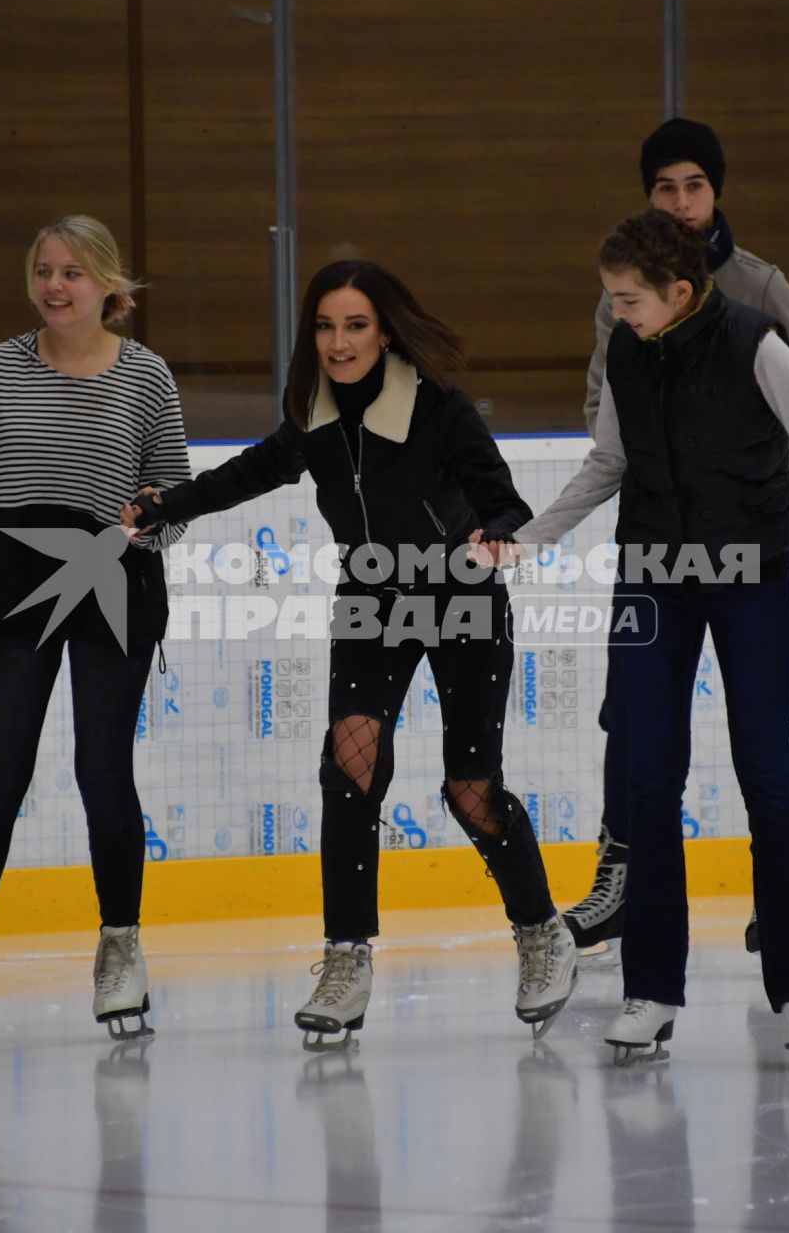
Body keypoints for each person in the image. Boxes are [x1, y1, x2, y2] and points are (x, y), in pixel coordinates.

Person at [123, 259, 578, 1046]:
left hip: (461, 598)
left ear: (386, 330)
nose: (339, 342)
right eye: (327, 326)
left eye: (356, 325)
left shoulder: (439, 408)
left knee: (471, 792)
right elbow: (257, 469)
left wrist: (497, 535)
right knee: (351, 764)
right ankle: (347, 956)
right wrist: (173, 505)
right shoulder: (314, 414)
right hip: (372, 603)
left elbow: (505, 497)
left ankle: (541, 931)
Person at [516, 209, 789, 1062]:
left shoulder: (754, 343)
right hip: (653, 576)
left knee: (767, 775)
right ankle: (653, 989)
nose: (616, 314)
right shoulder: (627, 352)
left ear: (680, 292)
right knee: (649, 781)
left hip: (747, 576)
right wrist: (528, 539)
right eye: (612, 299)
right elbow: (607, 464)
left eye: (628, 300)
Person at [552, 118, 789, 958]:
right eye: (664, 188)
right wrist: (652, 470)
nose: (681, 203)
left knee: (762, 743)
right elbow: (600, 405)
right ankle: (622, 876)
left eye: (694, 186)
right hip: (653, 542)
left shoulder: (759, 288)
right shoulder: (623, 291)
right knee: (634, 717)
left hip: (743, 548)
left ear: (716, 192)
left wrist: (753, 494)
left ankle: (777, 896)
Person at [0, 216, 189, 1042]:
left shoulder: (147, 376)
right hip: (15, 583)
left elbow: (175, 495)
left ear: (109, 286)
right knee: (1, 766)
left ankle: (120, 949)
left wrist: (146, 521)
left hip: (112, 584)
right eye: (43, 271)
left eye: (73, 272)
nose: (55, 286)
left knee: (103, 768)